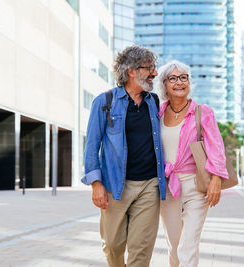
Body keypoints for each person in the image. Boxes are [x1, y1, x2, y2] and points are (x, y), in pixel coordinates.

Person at [82, 45, 166, 267]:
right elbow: (92, 146)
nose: (154, 73)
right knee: (112, 245)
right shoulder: (104, 102)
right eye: (149, 68)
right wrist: (96, 185)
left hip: (149, 185)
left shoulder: (153, 102)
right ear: (131, 71)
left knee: (141, 248)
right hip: (115, 185)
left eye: (154, 68)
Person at [157, 60, 229, 267]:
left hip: (195, 187)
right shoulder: (158, 113)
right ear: (164, 85)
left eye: (183, 77)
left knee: (188, 244)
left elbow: (216, 148)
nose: (179, 82)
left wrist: (216, 180)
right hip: (167, 187)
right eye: (173, 78)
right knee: (174, 244)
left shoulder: (202, 111)